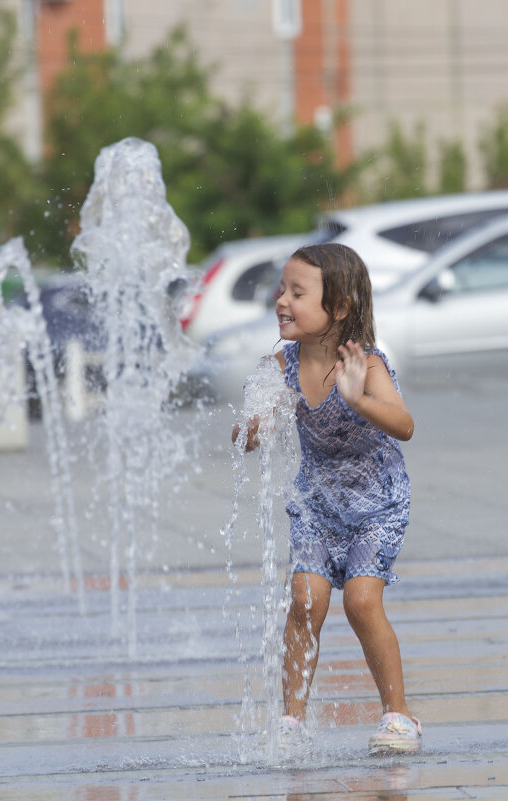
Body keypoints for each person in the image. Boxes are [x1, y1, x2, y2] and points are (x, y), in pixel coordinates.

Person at [232, 243, 421, 754]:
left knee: (361, 602)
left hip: (376, 506)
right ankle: (291, 720)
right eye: (281, 289)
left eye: (298, 292)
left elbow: (404, 425)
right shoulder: (281, 363)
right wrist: (257, 420)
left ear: (337, 308)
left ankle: (399, 715)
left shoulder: (364, 364)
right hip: (317, 504)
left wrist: (359, 400)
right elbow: (243, 438)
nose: (282, 301)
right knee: (306, 599)